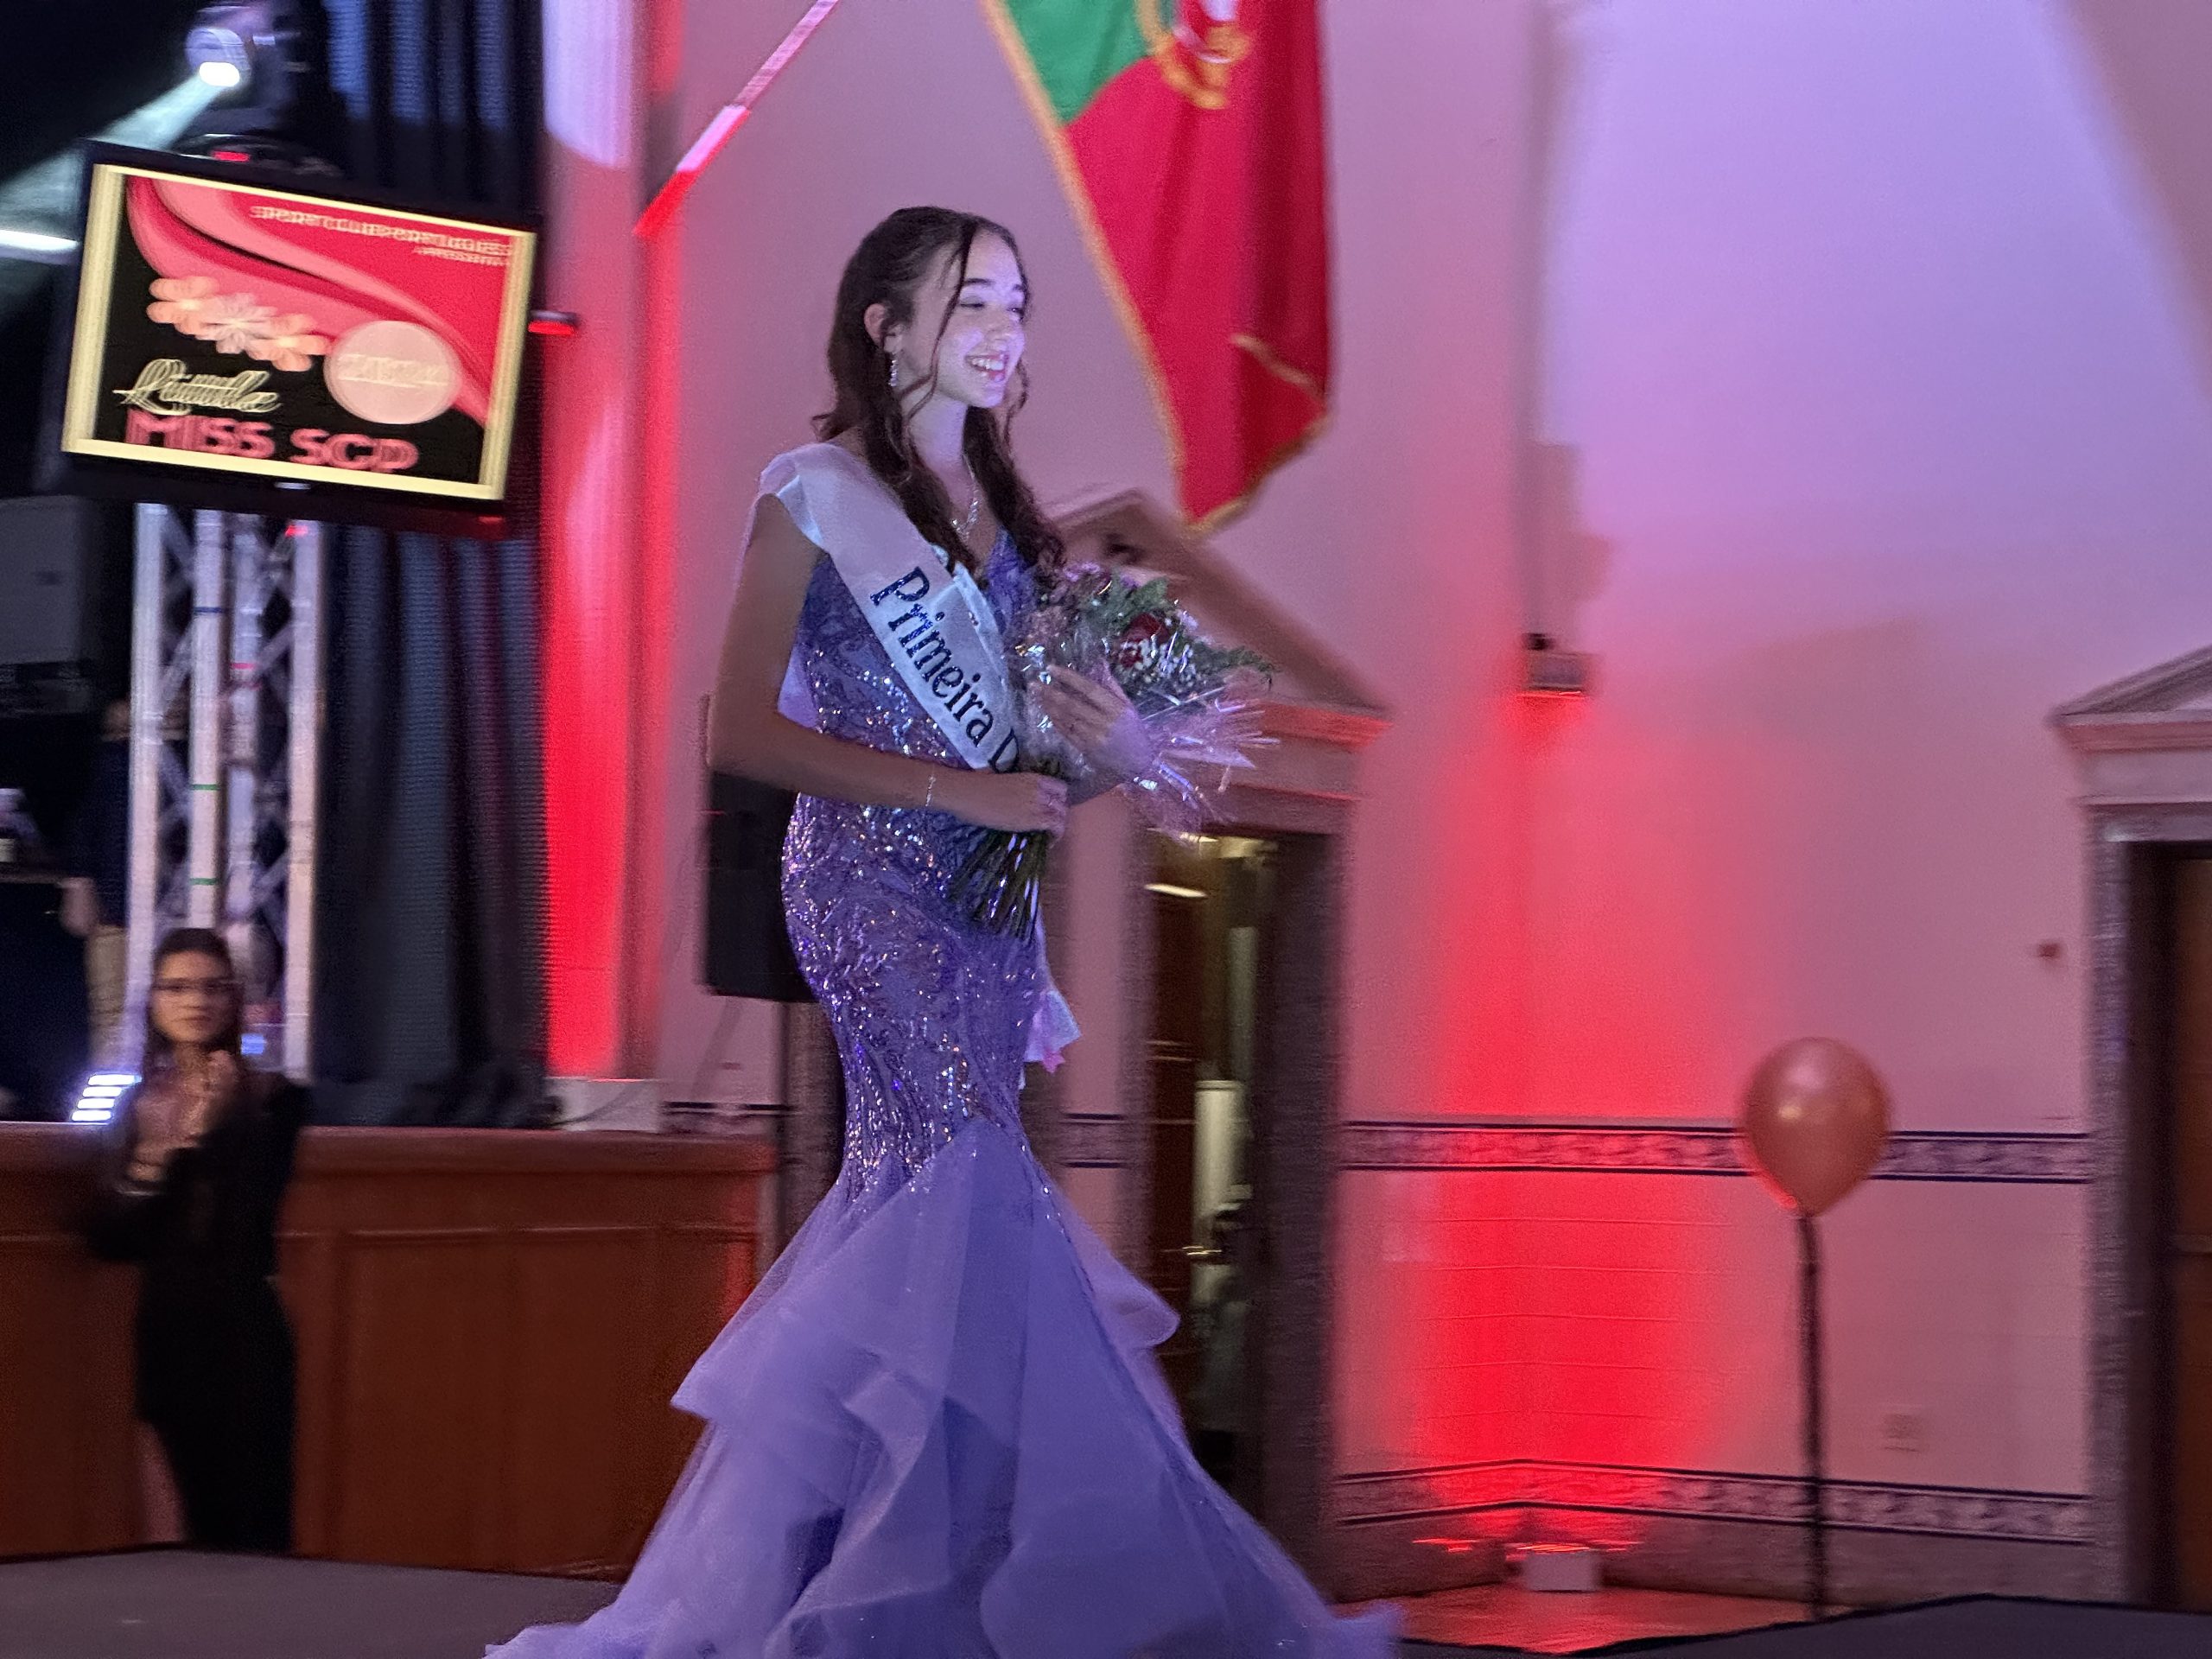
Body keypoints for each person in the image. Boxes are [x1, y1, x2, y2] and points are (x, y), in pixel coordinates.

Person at [490, 209, 1396, 1656]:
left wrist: (1111, 754)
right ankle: (927, 1582)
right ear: (885, 323)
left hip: (986, 902)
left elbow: (1034, 775)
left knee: (942, 1191)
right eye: (972, 299)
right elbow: (745, 733)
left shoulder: (1011, 530)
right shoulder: (814, 493)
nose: (1001, 327)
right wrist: (951, 789)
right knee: (961, 1172)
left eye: (1016, 303)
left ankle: (893, 1572)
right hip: (865, 883)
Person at [82, 927, 308, 1553]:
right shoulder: (136, 1105)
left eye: (213, 988)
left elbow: (246, 1219)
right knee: (181, 1534)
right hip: (167, 1333)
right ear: (153, 1001)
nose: (196, 1002)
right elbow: (111, 1241)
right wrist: (155, 1155)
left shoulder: (275, 1101)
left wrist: (208, 1130)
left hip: (246, 1334)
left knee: (255, 1528)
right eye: (177, 988)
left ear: (234, 1000)